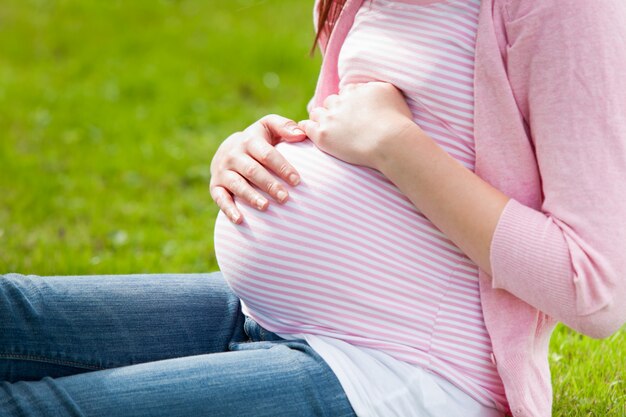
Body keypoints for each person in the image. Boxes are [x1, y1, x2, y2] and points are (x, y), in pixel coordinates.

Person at [1, 1, 625, 417]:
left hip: (402, 377)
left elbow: (595, 289)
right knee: (12, 312)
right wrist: (252, 151)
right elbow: (349, 136)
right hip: (264, 317)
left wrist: (396, 146)